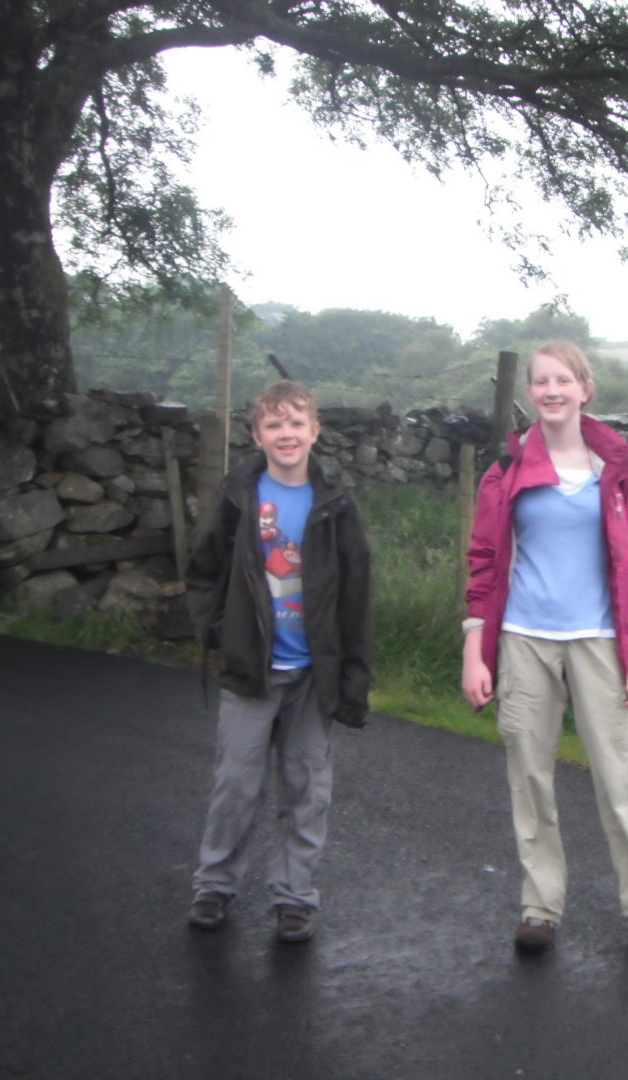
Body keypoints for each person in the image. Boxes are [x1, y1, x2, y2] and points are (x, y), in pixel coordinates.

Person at [461, 340, 628, 960]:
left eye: (563, 380)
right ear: (529, 394)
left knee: (620, 779)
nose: (551, 391)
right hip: (525, 640)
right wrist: (476, 653)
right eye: (540, 382)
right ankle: (539, 905)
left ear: (585, 388)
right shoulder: (506, 471)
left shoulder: (617, 473)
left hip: (605, 642)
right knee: (529, 776)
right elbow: (482, 565)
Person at [185, 379, 373, 942]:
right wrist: (221, 631)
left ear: (314, 431)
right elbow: (203, 571)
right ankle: (214, 886)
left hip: (314, 676)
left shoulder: (335, 506)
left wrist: (354, 677)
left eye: (296, 423)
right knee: (235, 786)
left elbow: (359, 597)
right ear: (256, 434)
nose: (285, 434)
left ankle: (295, 897)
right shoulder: (241, 496)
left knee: (306, 788)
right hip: (251, 673)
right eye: (274, 424)